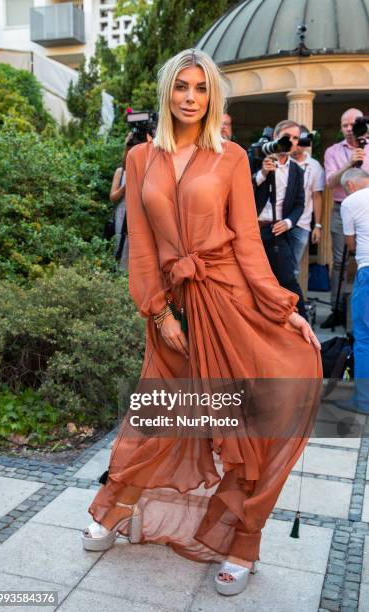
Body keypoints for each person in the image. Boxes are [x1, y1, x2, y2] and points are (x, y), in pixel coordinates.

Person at [82, 48, 321, 597]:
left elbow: (248, 244)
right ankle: (114, 510)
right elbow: (141, 244)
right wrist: (159, 311)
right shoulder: (143, 158)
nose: (190, 97)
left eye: (201, 89)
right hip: (172, 304)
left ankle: (243, 543)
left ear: (212, 98)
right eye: (182, 87)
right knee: (158, 416)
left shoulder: (232, 157)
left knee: (244, 427)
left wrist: (285, 308)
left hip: (230, 301)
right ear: (168, 92)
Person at [252, 120, 307, 317]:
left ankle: (304, 328)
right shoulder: (256, 157)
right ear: (275, 137)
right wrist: (262, 173)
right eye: (287, 137)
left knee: (287, 279)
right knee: (252, 281)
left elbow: (300, 203)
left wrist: (289, 222)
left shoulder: (298, 171)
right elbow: (241, 193)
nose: (291, 142)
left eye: (295, 138)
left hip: (278, 231)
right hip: (252, 230)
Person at [322, 108, 369, 329]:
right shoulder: (333, 151)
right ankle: (337, 309)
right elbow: (331, 183)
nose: (349, 129)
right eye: (345, 125)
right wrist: (350, 164)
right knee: (339, 262)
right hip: (342, 208)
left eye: (354, 124)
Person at [336, 168, 369, 414]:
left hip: (367, 271)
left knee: (364, 338)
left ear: (349, 186)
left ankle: (363, 400)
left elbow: (350, 243)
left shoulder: (350, 202)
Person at [290, 125, 325, 275]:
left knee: (293, 269)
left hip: (302, 224)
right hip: (278, 222)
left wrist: (317, 225)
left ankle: (290, 298)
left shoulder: (315, 166)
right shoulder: (279, 161)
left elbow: (316, 196)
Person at [109, 134, 133, 271]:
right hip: (122, 213)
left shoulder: (147, 169)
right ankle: (120, 274)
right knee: (120, 244)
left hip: (139, 214)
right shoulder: (121, 171)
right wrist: (125, 187)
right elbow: (113, 197)